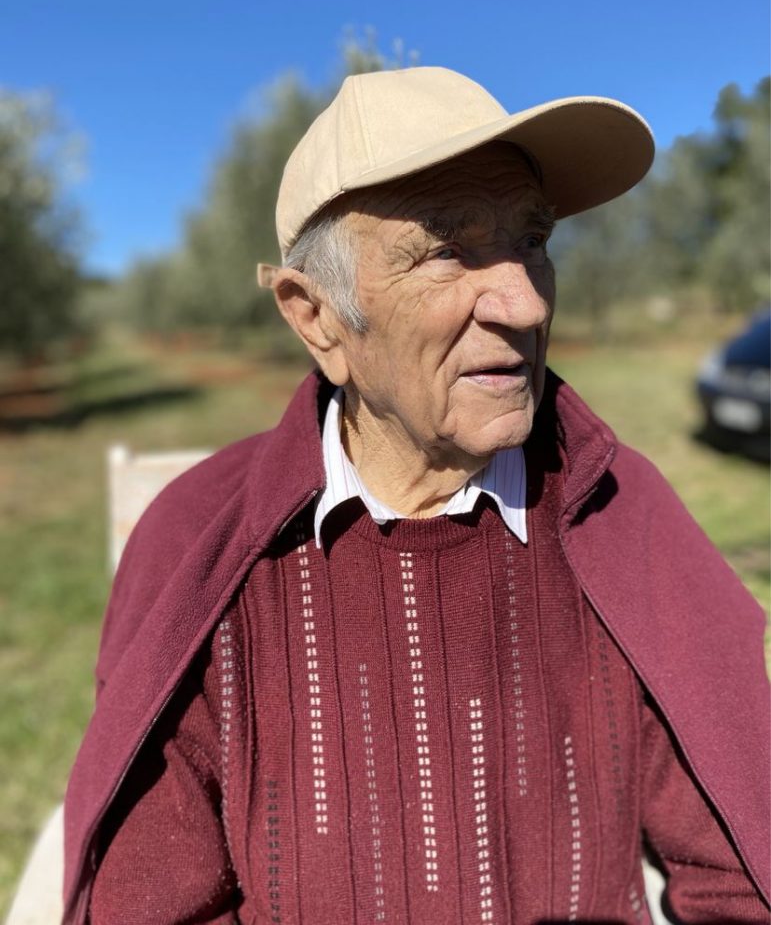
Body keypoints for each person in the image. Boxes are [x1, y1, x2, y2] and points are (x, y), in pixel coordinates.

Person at [63, 67, 770, 924]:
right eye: (445, 250)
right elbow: (147, 902)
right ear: (316, 318)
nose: (523, 302)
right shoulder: (198, 544)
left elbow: (741, 873)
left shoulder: (615, 508)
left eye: (532, 238)